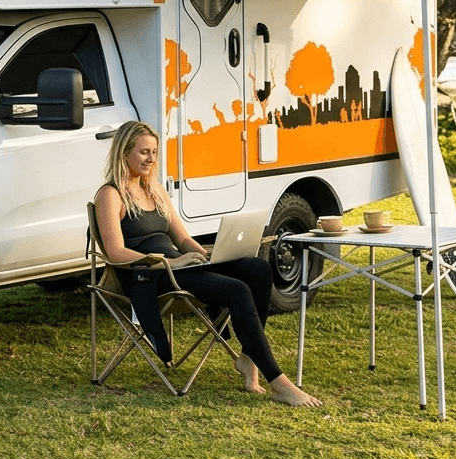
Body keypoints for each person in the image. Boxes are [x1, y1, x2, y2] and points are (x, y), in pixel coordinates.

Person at [94, 120, 321, 407]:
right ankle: (279, 382)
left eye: (154, 152)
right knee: (237, 290)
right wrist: (169, 263)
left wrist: (205, 256)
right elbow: (115, 252)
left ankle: (248, 357)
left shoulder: (155, 192)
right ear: (124, 153)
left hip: (181, 267)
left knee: (258, 269)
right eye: (143, 153)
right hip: (149, 275)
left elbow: (182, 238)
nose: (151, 159)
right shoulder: (110, 195)